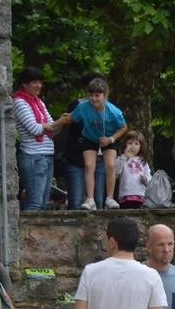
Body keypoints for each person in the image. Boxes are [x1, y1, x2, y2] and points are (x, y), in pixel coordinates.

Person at [12, 66, 68, 211]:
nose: (39, 86)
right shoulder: (19, 102)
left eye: (40, 82)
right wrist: (56, 123)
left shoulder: (39, 102)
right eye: (34, 82)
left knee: (43, 202)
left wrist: (59, 123)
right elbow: (35, 129)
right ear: (24, 84)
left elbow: (52, 129)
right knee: (35, 202)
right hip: (33, 156)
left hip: (46, 154)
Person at [70, 77, 127, 210]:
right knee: (89, 165)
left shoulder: (113, 111)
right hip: (90, 138)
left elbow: (124, 127)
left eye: (97, 95)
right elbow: (71, 117)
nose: (94, 99)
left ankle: (110, 198)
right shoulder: (83, 106)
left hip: (108, 138)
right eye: (91, 95)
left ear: (104, 96)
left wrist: (111, 139)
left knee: (110, 165)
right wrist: (54, 125)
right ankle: (90, 199)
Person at [60, 72, 107, 211]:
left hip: (99, 158)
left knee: (98, 201)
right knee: (76, 201)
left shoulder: (109, 108)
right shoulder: (77, 105)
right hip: (77, 159)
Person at [115, 130, 152, 210]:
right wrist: (124, 156)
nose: (133, 146)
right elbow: (116, 172)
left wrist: (146, 179)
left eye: (136, 144)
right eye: (130, 143)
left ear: (141, 146)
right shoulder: (121, 158)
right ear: (125, 145)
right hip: (125, 195)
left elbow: (150, 178)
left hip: (140, 195)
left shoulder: (143, 161)